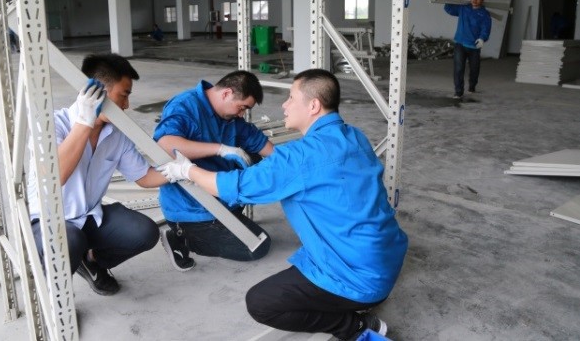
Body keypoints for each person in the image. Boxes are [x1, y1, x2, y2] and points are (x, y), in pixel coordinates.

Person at [158, 69, 408, 341]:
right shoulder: (354, 136)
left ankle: (356, 326)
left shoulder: (299, 157)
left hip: (356, 279)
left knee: (261, 303)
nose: (284, 105)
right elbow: (168, 141)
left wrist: (186, 170)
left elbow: (231, 185)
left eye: (291, 98)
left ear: (313, 106)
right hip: (387, 261)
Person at [27, 53, 167, 296]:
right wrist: (85, 122)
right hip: (48, 222)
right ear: (98, 92)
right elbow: (55, 177)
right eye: (123, 95)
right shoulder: (50, 125)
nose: (126, 105)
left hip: (89, 217)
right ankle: (54, 297)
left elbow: (144, 176)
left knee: (145, 232)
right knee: (69, 241)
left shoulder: (116, 134)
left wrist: (178, 170)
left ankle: (91, 260)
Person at [153, 70, 274, 271]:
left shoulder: (231, 118)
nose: (241, 114)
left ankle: (223, 219)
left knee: (255, 159)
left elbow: (265, 147)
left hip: (220, 201)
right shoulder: (185, 105)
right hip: (192, 208)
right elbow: (166, 145)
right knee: (257, 247)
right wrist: (220, 149)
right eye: (242, 107)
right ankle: (180, 237)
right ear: (226, 93)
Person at [444, 0, 491, 99]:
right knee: (459, 68)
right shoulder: (463, 8)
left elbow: (486, 28)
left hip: (474, 46)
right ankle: (458, 92)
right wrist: (452, 0)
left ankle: (472, 86)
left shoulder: (484, 14)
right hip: (460, 43)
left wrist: (482, 38)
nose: (475, 0)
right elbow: (449, 10)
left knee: (474, 69)